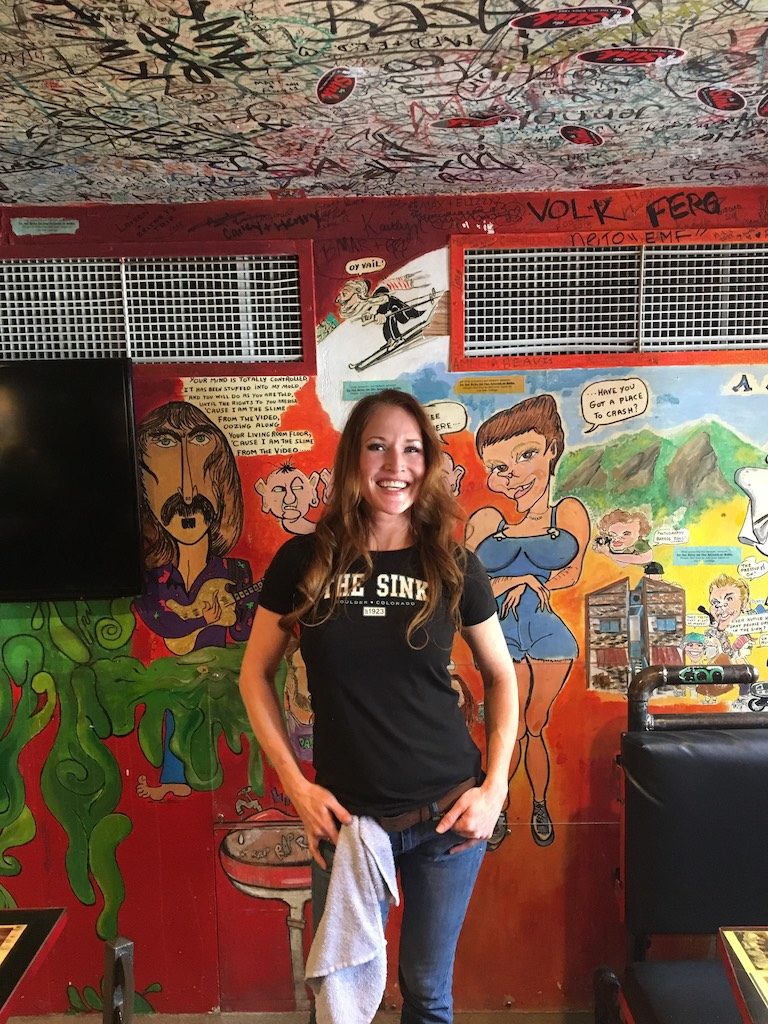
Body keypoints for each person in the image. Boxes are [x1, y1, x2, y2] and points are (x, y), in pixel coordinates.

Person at [239, 389, 517, 1024]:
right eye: (378, 446)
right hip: (345, 823)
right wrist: (296, 787)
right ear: (353, 459)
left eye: (413, 449)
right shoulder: (303, 562)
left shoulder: (453, 563)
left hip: (447, 818)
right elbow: (254, 675)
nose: (397, 464)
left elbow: (501, 678)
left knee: (426, 996)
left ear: (430, 461)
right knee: (336, 1003)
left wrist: (495, 786)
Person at [466, 395, 590, 847]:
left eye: (525, 455)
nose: (512, 473)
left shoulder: (568, 513)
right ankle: (499, 807)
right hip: (500, 636)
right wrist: (510, 582)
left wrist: (536, 583)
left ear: (552, 450)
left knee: (536, 723)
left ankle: (538, 803)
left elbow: (570, 571)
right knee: (510, 726)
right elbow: (466, 581)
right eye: (498, 467)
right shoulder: (486, 519)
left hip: (548, 632)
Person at [134, 401, 255, 799]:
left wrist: (233, 620)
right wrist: (207, 622)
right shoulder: (153, 579)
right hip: (178, 681)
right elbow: (163, 623)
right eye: (171, 489)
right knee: (175, 714)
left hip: (224, 681)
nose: (188, 497)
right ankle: (175, 779)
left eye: (202, 489)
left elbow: (247, 629)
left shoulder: (236, 573)